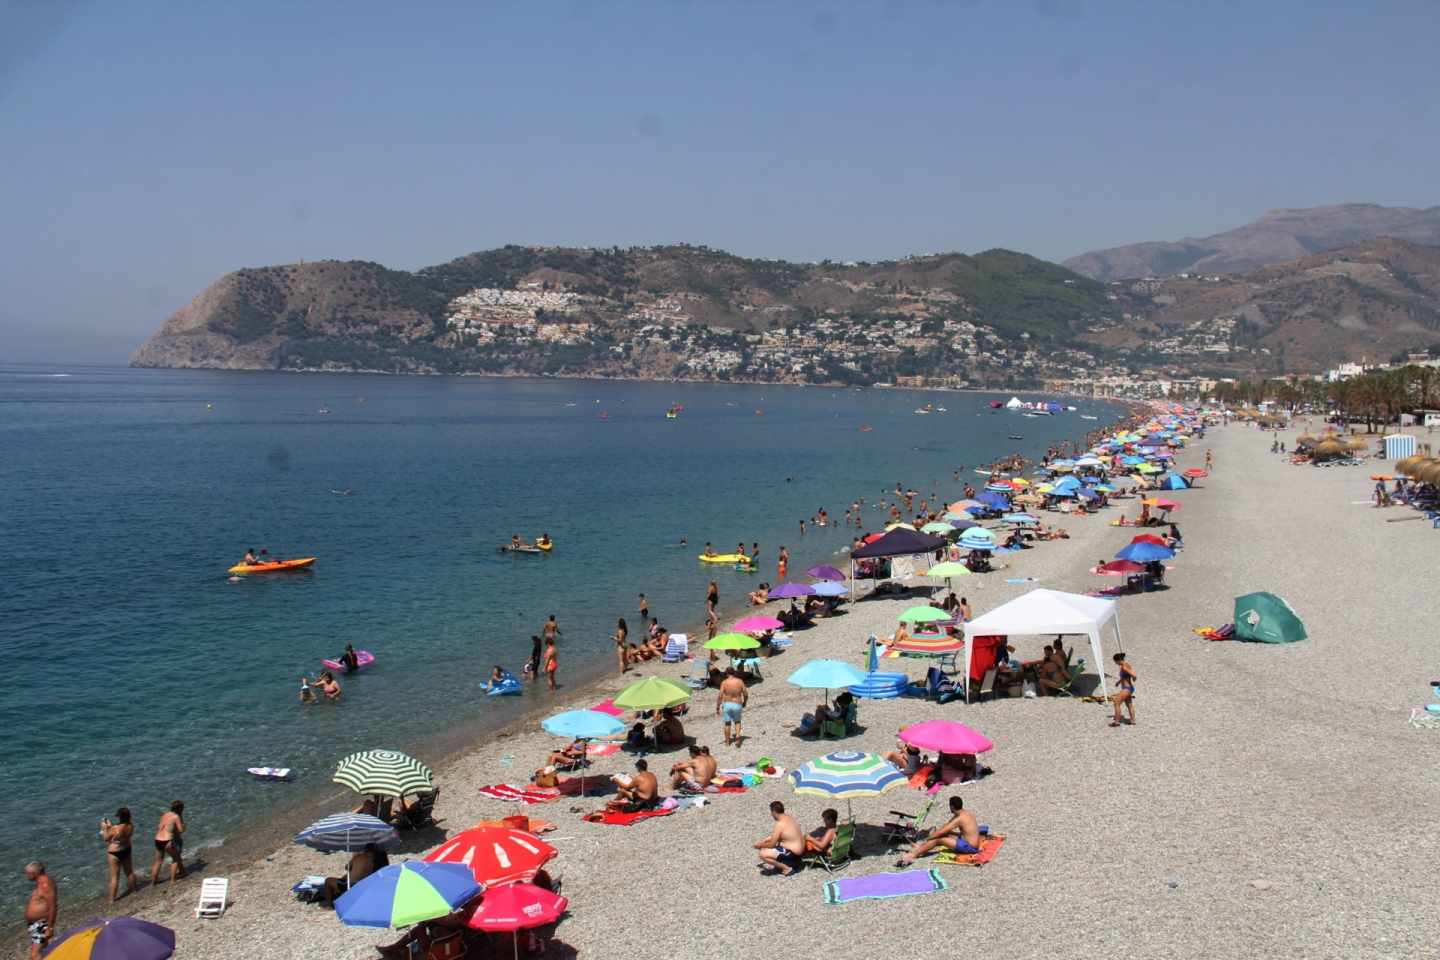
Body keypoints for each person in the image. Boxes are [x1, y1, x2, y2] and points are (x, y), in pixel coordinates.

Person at [897, 796, 985, 865]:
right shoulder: (964, 813)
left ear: (952, 806)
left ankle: (913, 855)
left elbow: (942, 832)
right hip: (968, 841)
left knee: (938, 840)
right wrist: (936, 833)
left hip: (970, 847)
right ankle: (921, 847)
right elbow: (947, 826)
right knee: (944, 834)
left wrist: (928, 838)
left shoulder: (959, 818)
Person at [320, 842, 389, 908]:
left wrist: (354, 857)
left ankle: (329, 904)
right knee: (344, 877)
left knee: (328, 880)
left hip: (351, 885)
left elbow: (347, 867)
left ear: (365, 850)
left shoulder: (359, 857)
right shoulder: (375, 860)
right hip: (363, 886)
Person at [753, 801, 804, 876]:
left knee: (762, 853)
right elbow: (781, 834)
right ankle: (788, 862)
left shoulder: (780, 824)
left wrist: (760, 845)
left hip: (793, 854)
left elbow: (772, 845)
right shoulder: (789, 817)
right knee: (769, 845)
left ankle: (787, 868)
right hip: (800, 851)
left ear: (773, 812)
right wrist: (765, 840)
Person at [100, 807, 138, 902]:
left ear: (119, 816)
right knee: (129, 872)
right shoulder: (131, 826)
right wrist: (110, 827)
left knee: (114, 877)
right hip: (126, 849)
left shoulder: (115, 828)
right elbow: (120, 834)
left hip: (114, 853)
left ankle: (112, 900)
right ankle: (134, 890)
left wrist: (104, 828)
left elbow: (106, 838)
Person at [24, 861, 56, 959]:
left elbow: (53, 906)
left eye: (27, 873)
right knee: (36, 953)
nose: (26, 876)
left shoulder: (45, 885)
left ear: (35, 873)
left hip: (41, 925)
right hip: (36, 925)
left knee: (35, 955)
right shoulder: (41, 883)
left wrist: (49, 928)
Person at [149, 800, 185, 886]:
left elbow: (159, 826)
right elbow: (181, 830)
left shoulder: (164, 815)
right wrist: (184, 826)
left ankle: (153, 882)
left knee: (158, 861)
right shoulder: (176, 817)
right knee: (175, 859)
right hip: (168, 840)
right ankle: (173, 880)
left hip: (158, 839)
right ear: (180, 809)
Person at [717, 668, 748, 747]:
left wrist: (717, 706)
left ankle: (727, 742)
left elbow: (720, 695)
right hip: (737, 703)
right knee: (737, 721)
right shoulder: (739, 681)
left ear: (727, 673)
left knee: (727, 723)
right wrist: (745, 702)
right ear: (734, 673)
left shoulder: (724, 682)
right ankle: (737, 736)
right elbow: (745, 693)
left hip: (727, 704)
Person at [1110, 652, 1137, 727]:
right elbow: (1125, 676)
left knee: (1116, 702)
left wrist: (1134, 677)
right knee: (1129, 704)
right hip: (1129, 688)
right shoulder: (1127, 664)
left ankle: (1117, 722)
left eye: (1115, 662)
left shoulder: (1124, 667)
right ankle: (1132, 721)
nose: (1115, 663)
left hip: (1126, 688)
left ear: (1118, 660)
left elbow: (1133, 675)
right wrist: (1119, 682)